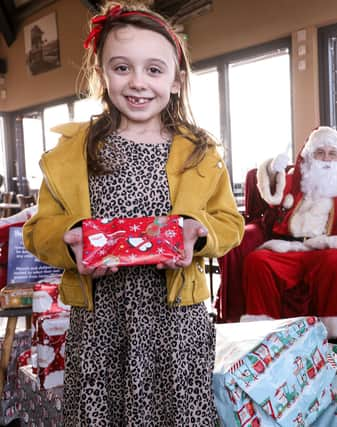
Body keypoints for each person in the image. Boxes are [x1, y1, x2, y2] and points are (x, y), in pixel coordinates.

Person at [22, 2, 244, 425]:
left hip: (177, 322)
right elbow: (38, 231)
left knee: (178, 413)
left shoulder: (199, 151)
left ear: (177, 81)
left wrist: (198, 234)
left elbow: (230, 223)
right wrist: (69, 242)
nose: (138, 83)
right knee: (100, 414)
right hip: (101, 322)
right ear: (102, 74)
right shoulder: (73, 153)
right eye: (122, 68)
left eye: (154, 70)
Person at [240, 126, 337, 339]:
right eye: (320, 153)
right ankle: (264, 333)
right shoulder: (298, 181)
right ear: (310, 156)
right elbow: (273, 191)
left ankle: (333, 333)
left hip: (325, 249)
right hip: (287, 248)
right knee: (258, 261)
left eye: (332, 154)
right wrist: (274, 171)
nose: (326, 160)